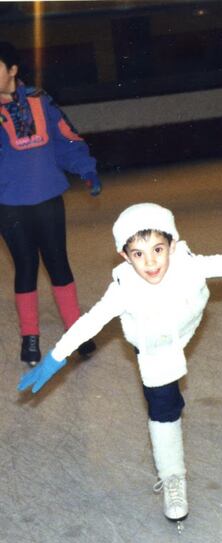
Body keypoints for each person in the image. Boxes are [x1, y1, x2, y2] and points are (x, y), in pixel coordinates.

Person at [18, 202, 222, 522]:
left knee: (169, 400)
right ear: (124, 256)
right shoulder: (123, 291)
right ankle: (173, 476)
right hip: (155, 347)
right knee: (164, 408)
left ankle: (171, 420)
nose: (150, 262)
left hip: (186, 324)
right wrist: (55, 357)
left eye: (158, 249)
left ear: (173, 246)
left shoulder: (187, 266)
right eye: (138, 253)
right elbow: (89, 323)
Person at [0, 42, 101, 365]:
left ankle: (76, 330)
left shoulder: (41, 101)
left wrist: (86, 168)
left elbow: (65, 138)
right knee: (26, 267)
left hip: (47, 197)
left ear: (13, 70)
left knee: (58, 262)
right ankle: (30, 338)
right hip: (9, 203)